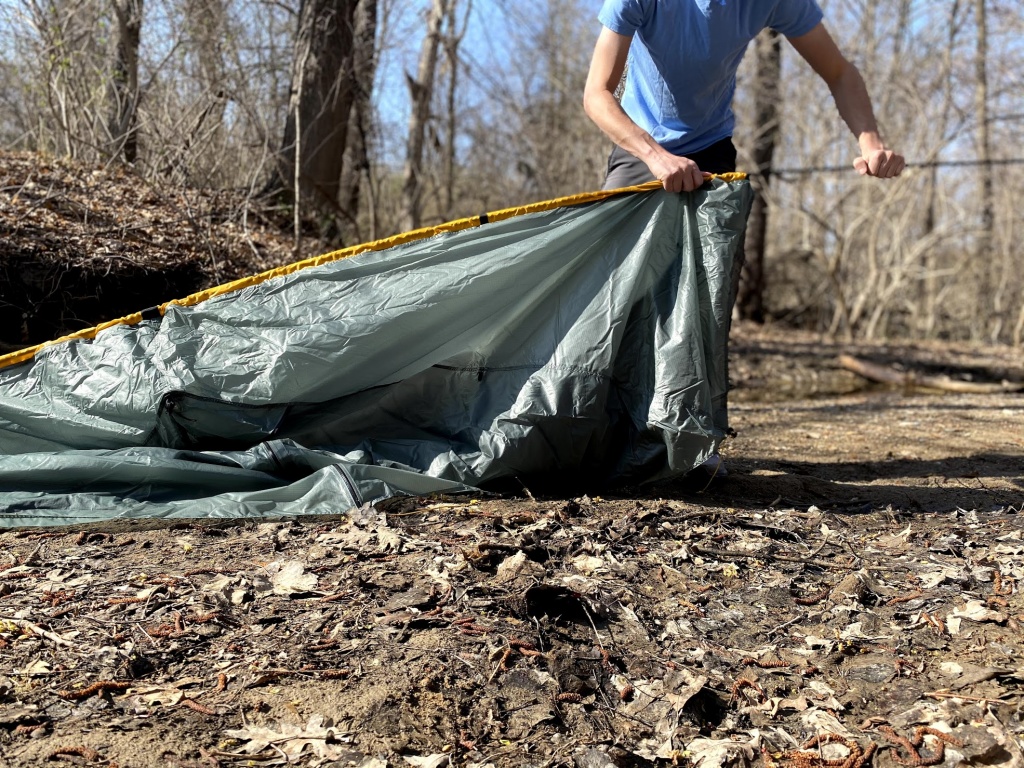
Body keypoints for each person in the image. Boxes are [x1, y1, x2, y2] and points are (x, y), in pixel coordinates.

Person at [583, 0, 905, 478]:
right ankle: (592, 433)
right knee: (617, 296)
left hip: (713, 150)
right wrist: (655, 157)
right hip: (640, 147)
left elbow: (838, 71)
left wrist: (870, 143)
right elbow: (597, 93)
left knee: (707, 301)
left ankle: (692, 438)